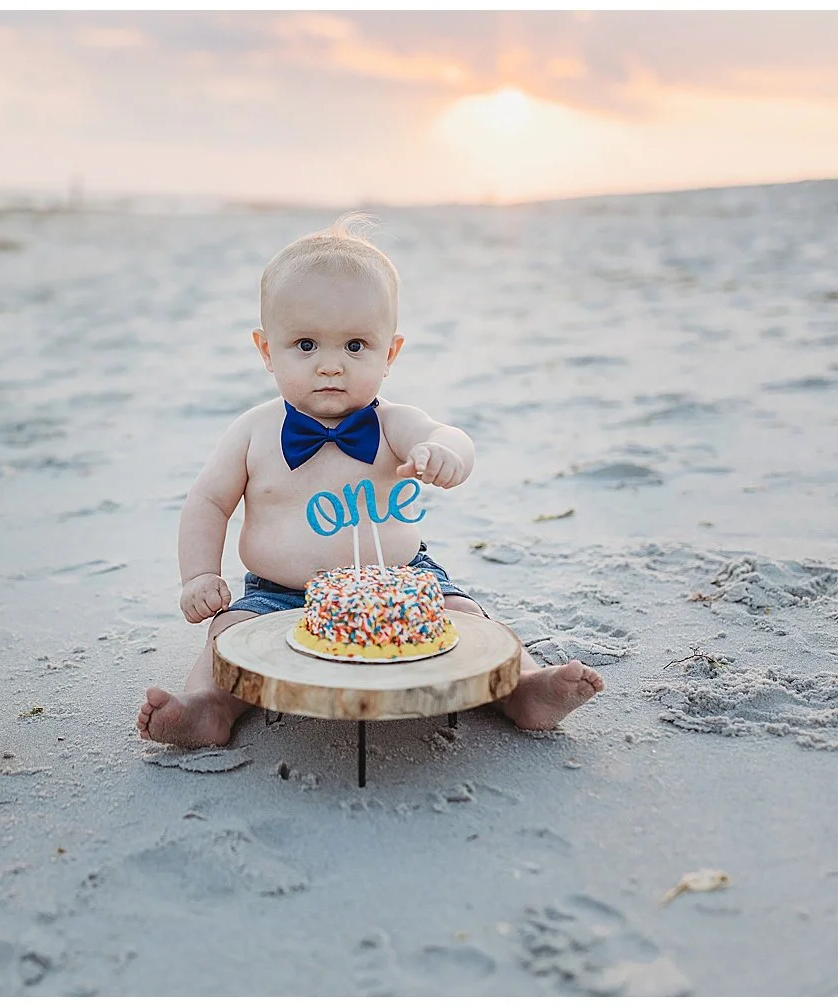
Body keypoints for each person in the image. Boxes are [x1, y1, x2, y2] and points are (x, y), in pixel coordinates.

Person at [137, 213, 604, 748]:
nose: (331, 366)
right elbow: (208, 501)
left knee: (469, 620)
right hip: (279, 594)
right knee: (226, 640)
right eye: (306, 345)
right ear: (267, 351)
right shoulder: (253, 431)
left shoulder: (392, 423)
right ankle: (210, 709)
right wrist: (198, 575)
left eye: (355, 346)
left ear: (391, 352)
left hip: (399, 583)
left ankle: (520, 688)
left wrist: (444, 454)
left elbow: (450, 436)